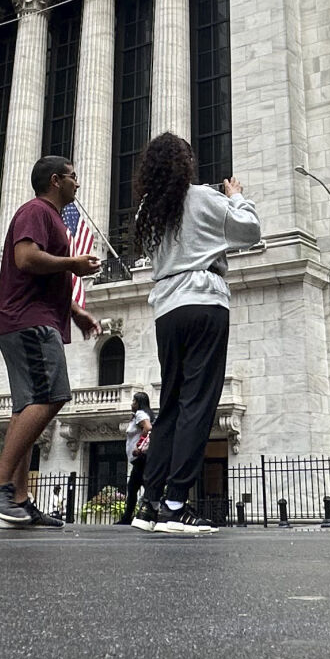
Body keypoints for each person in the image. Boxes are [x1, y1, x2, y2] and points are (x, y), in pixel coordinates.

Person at [127, 132, 260, 536]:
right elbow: (249, 230)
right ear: (185, 164)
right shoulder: (203, 197)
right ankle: (175, 504)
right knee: (198, 403)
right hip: (204, 301)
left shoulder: (147, 211)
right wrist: (236, 196)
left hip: (166, 309)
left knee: (170, 403)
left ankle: (149, 504)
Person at [0, 155, 101, 528]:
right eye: (74, 177)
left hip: (29, 318)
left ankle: (19, 498)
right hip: (29, 322)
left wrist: (74, 311)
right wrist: (73, 263)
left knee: (27, 405)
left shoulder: (50, 217)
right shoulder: (36, 211)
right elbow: (26, 259)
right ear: (56, 180)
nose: (78, 183)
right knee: (51, 396)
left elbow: (42, 274)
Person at [115, 390, 154, 525]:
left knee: (134, 487)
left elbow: (148, 428)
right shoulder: (142, 414)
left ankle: (130, 517)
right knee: (138, 486)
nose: (132, 404)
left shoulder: (140, 414)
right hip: (141, 459)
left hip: (141, 458)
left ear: (139, 403)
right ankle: (141, 514)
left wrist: (139, 446)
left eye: (134, 401)